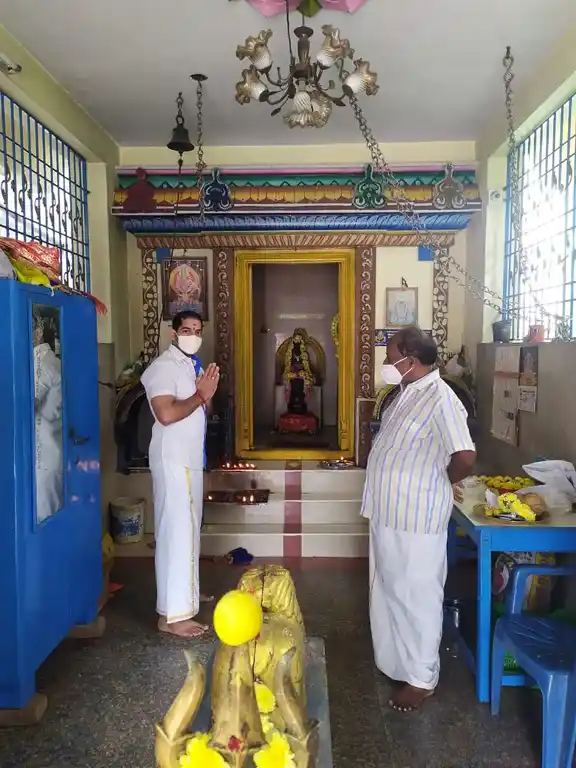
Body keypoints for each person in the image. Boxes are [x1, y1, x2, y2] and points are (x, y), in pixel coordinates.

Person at [362, 326, 475, 712]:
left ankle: (422, 679)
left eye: (391, 355)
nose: (387, 363)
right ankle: (397, 664)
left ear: (410, 359)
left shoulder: (442, 399)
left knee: (418, 596)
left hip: (416, 516)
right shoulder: (405, 395)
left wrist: (436, 483)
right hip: (387, 513)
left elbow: (464, 455)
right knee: (389, 590)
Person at [141, 310, 219, 638]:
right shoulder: (162, 368)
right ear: (173, 334)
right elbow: (166, 414)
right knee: (175, 533)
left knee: (189, 530)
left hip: (189, 459)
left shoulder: (191, 365)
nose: (192, 334)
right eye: (186, 329)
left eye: (197, 330)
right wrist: (201, 395)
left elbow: (202, 407)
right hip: (173, 460)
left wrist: (206, 395)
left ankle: (186, 591)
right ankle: (172, 616)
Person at [33, 314, 63, 523]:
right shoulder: (54, 362)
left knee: (45, 515)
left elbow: (26, 405)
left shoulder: (41, 364)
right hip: (54, 447)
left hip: (43, 453)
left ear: (38, 333)